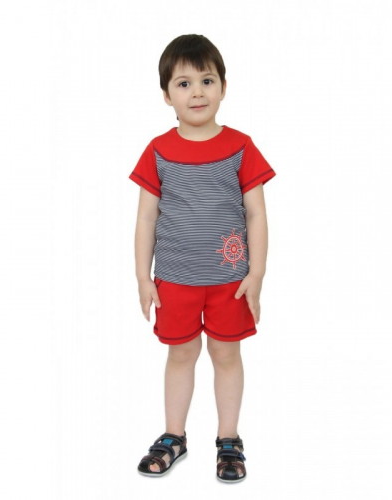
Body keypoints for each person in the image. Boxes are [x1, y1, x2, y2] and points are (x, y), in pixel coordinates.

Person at [129, 34, 276, 482]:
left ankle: (229, 440)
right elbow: (146, 218)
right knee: (180, 355)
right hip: (175, 279)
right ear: (166, 95)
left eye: (207, 81)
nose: (197, 92)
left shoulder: (241, 147)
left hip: (230, 280)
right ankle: (174, 436)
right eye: (184, 83)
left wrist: (257, 274)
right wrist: (143, 277)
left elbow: (256, 213)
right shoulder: (158, 150)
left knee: (226, 355)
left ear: (223, 88)